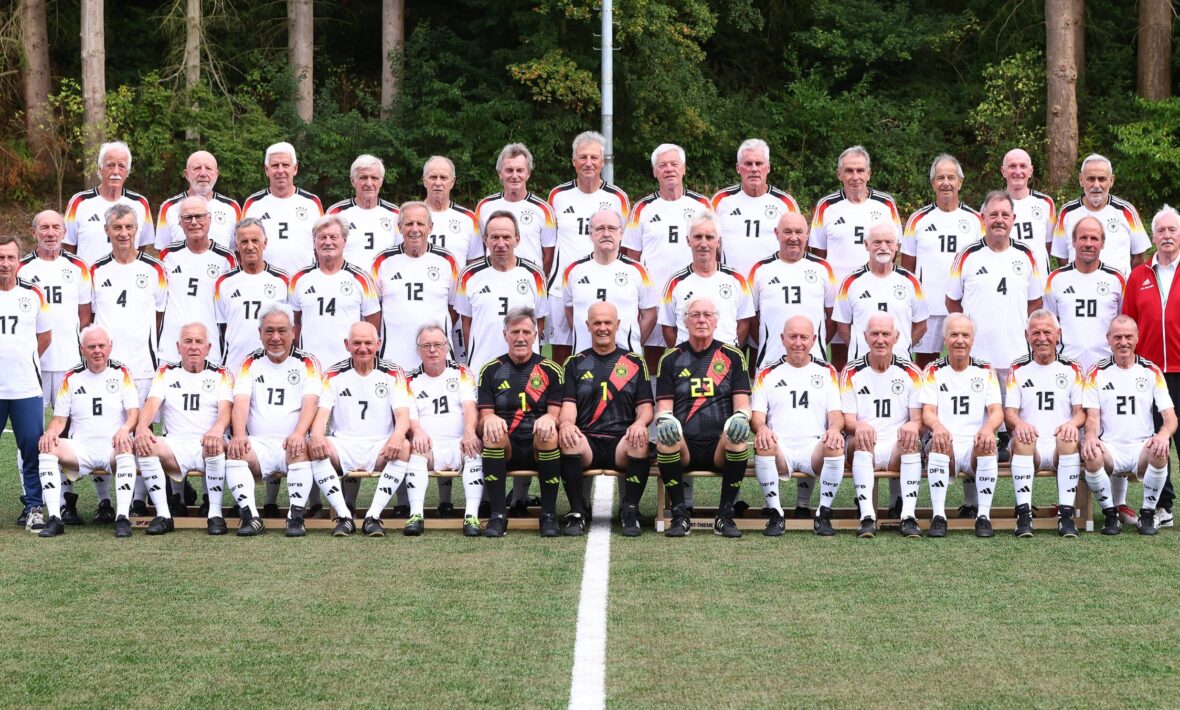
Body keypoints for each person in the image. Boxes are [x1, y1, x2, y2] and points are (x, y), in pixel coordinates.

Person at [224, 303, 353, 537]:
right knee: (236, 452)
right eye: (269, 331)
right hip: (258, 444)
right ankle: (251, 517)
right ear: (260, 333)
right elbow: (241, 400)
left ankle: (295, 518)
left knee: (300, 448)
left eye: (282, 330)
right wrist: (240, 434)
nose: (275, 337)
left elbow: (311, 401)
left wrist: (298, 433)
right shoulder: (249, 362)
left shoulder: (307, 362)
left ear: (293, 332)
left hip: (292, 443)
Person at [947, 190, 1043, 466]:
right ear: (983, 218)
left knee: (1015, 426)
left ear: (1013, 219)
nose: (999, 220)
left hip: (1015, 354)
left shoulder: (1026, 254)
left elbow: (1035, 302)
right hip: (977, 356)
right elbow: (952, 301)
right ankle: (973, 491)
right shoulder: (967, 255)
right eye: (993, 215)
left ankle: (1020, 484)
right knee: (979, 430)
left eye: (1004, 215)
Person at [653, 297, 752, 538]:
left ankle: (725, 516)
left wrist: (741, 417)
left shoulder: (732, 356)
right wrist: (664, 419)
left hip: (718, 445)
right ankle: (680, 516)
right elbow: (663, 408)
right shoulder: (671, 359)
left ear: (716, 321)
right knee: (665, 441)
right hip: (685, 444)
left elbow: (743, 406)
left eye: (707, 315)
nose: (701, 320)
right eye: (695, 315)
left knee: (739, 440)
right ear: (685, 321)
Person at [309, 322, 414, 536]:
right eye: (357, 343)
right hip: (343, 445)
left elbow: (403, 415)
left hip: (380, 445)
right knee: (314, 444)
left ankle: (372, 517)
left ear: (378, 344)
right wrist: (317, 435)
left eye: (368, 343)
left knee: (403, 445)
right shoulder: (333, 374)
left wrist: (397, 435)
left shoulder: (393, 372)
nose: (363, 348)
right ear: (347, 345)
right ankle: (344, 516)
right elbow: (321, 415)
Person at [36, 326, 141, 538]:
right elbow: (59, 419)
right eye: (91, 347)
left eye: (102, 346)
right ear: (82, 349)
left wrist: (125, 429)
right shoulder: (71, 376)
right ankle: (55, 518)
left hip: (112, 447)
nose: (97, 351)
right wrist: (51, 433)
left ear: (110, 347)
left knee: (126, 448)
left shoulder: (122, 372)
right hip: (80, 448)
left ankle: (122, 518)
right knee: (48, 448)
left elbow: (133, 413)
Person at [558, 302, 653, 536]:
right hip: (588, 441)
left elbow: (646, 408)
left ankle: (630, 511)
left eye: (608, 322)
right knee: (568, 438)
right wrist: (567, 424)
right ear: (588, 326)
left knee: (640, 440)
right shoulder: (574, 363)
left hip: (620, 441)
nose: (603, 328)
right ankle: (577, 511)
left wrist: (640, 423)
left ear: (617, 325)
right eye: (597, 323)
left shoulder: (634, 362)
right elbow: (568, 406)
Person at [133, 323, 233, 535]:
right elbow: (152, 403)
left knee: (216, 444)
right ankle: (164, 515)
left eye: (199, 342)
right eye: (188, 341)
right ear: (179, 347)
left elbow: (226, 409)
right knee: (147, 446)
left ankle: (214, 514)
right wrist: (141, 427)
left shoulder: (221, 373)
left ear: (208, 348)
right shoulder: (166, 372)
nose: (193, 347)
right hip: (175, 445)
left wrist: (217, 430)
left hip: (207, 443)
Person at [808, 145, 902, 369]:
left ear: (869, 173)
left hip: (874, 291)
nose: (855, 176)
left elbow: (894, 247)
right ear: (839, 174)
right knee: (841, 356)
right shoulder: (826, 206)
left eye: (860, 170)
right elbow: (818, 254)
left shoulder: (885, 204)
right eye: (849, 171)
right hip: (837, 295)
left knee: (879, 347)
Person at [1081, 315, 1176, 536]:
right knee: (1092, 454)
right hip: (1110, 446)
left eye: (1128, 337)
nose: (1123, 342)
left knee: (1160, 450)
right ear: (1108, 339)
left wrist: (1163, 435)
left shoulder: (1151, 371)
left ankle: (1147, 513)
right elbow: (1092, 417)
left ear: (1137, 338)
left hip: (1141, 446)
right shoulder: (1096, 372)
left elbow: (1170, 417)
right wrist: (1091, 437)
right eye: (1117, 337)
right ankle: (1110, 514)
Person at [751, 315, 845, 537]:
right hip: (780, 447)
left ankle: (823, 514)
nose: (798, 343)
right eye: (792, 337)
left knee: (835, 444)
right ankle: (776, 514)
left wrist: (834, 429)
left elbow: (836, 415)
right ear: (782, 338)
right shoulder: (767, 372)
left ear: (814, 340)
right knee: (763, 443)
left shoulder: (827, 371)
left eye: (804, 337)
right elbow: (757, 417)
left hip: (813, 448)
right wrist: (762, 429)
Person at [477, 307, 566, 537]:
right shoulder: (490, 370)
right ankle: (498, 516)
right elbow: (483, 417)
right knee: (492, 433)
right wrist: (489, 419)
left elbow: (556, 415)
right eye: (514, 332)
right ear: (505, 335)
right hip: (506, 445)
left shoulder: (551, 370)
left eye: (526, 332)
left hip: (537, 444)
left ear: (535, 335)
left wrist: (550, 418)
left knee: (549, 433)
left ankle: (548, 515)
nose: (520, 337)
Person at [624, 144, 712, 368]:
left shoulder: (701, 204)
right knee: (653, 359)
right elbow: (632, 258)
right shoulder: (643, 208)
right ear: (655, 171)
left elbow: (713, 248)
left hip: (691, 295)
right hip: (653, 297)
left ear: (684, 168)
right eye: (663, 165)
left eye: (674, 164)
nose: (669, 169)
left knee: (693, 358)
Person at [547, 131, 630, 363]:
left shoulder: (617, 197)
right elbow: (549, 244)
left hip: (603, 283)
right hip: (561, 287)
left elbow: (623, 243)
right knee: (561, 352)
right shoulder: (558, 195)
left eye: (594, 158)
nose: (588, 163)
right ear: (574, 161)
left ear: (602, 162)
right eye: (583, 157)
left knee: (606, 344)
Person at [839, 313, 924, 538]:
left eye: (886, 334)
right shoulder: (851, 371)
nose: (880, 340)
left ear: (896, 337)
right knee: (862, 439)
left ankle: (908, 516)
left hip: (896, 445)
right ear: (865, 337)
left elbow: (917, 419)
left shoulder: (911, 371)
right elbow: (847, 420)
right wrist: (859, 425)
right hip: (863, 444)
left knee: (911, 441)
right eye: (874, 334)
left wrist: (913, 426)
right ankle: (867, 517)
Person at [1121, 205, 1180, 529]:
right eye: (1161, 231)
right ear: (1153, 236)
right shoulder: (1139, 275)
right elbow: (1129, 323)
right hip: (1150, 372)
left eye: (1172, 230)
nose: (1167, 235)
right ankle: (1163, 507)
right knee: (1157, 439)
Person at [920, 313, 1004, 538]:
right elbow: (928, 412)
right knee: (939, 441)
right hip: (946, 443)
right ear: (945, 339)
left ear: (972, 340)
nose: (960, 340)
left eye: (965, 335)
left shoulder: (985, 370)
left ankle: (983, 517)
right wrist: (937, 427)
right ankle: (939, 516)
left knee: (988, 443)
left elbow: (996, 412)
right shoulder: (933, 370)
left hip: (975, 443)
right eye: (954, 334)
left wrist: (987, 429)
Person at [1004, 310, 1086, 537]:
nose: (1042, 338)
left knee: (1068, 438)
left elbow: (1081, 413)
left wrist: (1072, 424)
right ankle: (1024, 516)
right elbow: (1009, 412)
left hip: (1061, 444)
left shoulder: (1073, 368)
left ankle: (1066, 516)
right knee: (1023, 439)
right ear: (1026, 336)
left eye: (1047, 332)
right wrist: (1019, 424)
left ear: (1058, 334)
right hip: (1031, 446)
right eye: (1036, 333)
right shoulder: (1018, 368)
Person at [901, 154, 984, 367]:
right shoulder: (918, 220)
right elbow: (907, 269)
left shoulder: (975, 220)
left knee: (966, 362)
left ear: (960, 182)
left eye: (951, 177)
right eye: (940, 178)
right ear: (932, 183)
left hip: (963, 308)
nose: (946, 183)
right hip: (927, 309)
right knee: (925, 364)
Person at [401, 324, 484, 536]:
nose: (432, 350)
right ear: (418, 350)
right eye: (426, 345)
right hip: (429, 445)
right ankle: (416, 515)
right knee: (417, 450)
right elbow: (410, 414)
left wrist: (469, 432)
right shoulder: (409, 379)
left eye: (438, 345)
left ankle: (471, 516)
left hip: (459, 441)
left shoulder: (461, 372)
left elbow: (470, 407)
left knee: (474, 450)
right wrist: (417, 431)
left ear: (447, 347)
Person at [90, 204, 167, 405]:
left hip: (143, 366)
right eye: (117, 227)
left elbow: (160, 314)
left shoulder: (154, 268)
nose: (123, 233)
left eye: (128, 227)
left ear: (136, 229)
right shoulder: (96, 269)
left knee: (142, 423)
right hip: (105, 364)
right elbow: (90, 315)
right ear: (106, 230)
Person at [0, 235, 51, 531]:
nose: (5, 263)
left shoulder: (33, 294)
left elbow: (44, 337)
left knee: (32, 451)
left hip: (25, 388)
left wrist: (19, 362)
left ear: (19, 260)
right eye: (0, 258)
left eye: (10, 257)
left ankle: (34, 507)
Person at [454, 211, 548, 371]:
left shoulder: (535, 274)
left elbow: (538, 322)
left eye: (506, 237)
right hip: (482, 368)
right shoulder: (469, 275)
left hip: (524, 369)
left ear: (517, 240)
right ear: (485, 240)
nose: (501, 243)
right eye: (495, 237)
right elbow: (466, 324)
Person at [371, 201, 459, 370]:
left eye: (420, 223)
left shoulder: (447, 260)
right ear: (399, 227)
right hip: (392, 357)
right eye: (409, 224)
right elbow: (373, 309)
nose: (415, 229)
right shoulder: (382, 260)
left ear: (430, 227)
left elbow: (455, 307)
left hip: (436, 359)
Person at [288, 213, 381, 368]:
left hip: (349, 368)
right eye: (322, 237)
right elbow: (295, 324)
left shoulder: (361, 279)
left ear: (344, 241)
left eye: (333, 237)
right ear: (314, 242)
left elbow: (373, 326)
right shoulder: (299, 278)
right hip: (310, 367)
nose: (328, 242)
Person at [561, 209, 657, 354]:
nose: (606, 234)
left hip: (626, 361)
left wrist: (632, 345)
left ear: (621, 233)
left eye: (612, 228)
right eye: (600, 228)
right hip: (583, 360)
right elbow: (570, 311)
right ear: (590, 234)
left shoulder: (638, 271)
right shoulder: (572, 270)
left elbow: (650, 315)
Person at [747, 211, 836, 367]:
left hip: (814, 364)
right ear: (777, 233)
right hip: (770, 363)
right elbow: (751, 319)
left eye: (799, 232)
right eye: (787, 232)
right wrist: (768, 342)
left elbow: (833, 317)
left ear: (807, 234)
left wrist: (813, 345)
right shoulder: (760, 269)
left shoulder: (823, 268)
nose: (793, 238)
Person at [157, 195, 237, 365]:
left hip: (209, 348)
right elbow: (159, 303)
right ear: (180, 223)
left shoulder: (226, 258)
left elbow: (229, 309)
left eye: (199, 216)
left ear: (209, 219)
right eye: (187, 217)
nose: (194, 222)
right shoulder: (167, 255)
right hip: (170, 348)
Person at [659, 212, 754, 349]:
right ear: (688, 240)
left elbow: (744, 322)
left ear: (718, 241)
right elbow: (668, 328)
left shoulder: (737, 279)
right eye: (698, 237)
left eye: (709, 237)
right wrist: (684, 353)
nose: (703, 244)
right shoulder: (675, 283)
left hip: (725, 359)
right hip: (687, 359)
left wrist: (729, 353)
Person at [834, 223, 928, 360]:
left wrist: (902, 347)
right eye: (877, 242)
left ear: (896, 245)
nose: (883, 247)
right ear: (866, 245)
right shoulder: (851, 282)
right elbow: (842, 326)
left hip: (900, 365)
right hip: (861, 366)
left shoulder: (911, 281)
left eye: (889, 242)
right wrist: (861, 351)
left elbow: (921, 326)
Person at [712, 138, 801, 279]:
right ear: (738, 168)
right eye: (748, 163)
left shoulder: (785, 203)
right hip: (731, 283)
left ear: (768, 167)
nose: (754, 169)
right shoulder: (720, 200)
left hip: (772, 283)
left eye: (759, 163)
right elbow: (708, 244)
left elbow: (799, 246)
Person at [214, 219, 290, 376]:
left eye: (255, 240)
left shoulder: (282, 280)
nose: (249, 246)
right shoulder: (224, 282)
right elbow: (221, 326)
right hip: (234, 366)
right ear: (237, 245)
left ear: (265, 243)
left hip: (272, 367)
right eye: (244, 242)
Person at [1051, 154, 1148, 276]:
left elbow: (1139, 256)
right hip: (1078, 286)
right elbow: (1062, 257)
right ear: (1081, 180)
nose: (1096, 185)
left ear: (1111, 180)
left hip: (1119, 287)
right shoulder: (1067, 212)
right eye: (1091, 179)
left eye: (1102, 179)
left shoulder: (1126, 211)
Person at [63, 141, 154, 265]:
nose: (115, 171)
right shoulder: (79, 202)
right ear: (100, 169)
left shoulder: (140, 203)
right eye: (110, 165)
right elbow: (68, 247)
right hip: (89, 276)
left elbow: (141, 247)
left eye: (121, 166)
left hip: (125, 275)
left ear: (127, 172)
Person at [242, 142, 324, 276]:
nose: (280, 171)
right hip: (265, 282)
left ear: (295, 169)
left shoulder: (312, 202)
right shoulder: (253, 203)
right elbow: (242, 246)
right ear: (266, 170)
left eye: (285, 165)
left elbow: (322, 245)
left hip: (304, 281)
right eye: (275, 165)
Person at [473, 143, 556, 270]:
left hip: (529, 280)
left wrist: (536, 278)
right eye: (509, 170)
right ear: (500, 173)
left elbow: (549, 256)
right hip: (493, 278)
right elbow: (478, 250)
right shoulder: (484, 206)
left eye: (520, 170)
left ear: (528, 173)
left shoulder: (543, 209)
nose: (515, 176)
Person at [155, 150, 243, 250]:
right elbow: (163, 251)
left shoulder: (232, 207)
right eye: (197, 168)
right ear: (186, 174)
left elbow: (238, 250)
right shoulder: (169, 207)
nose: (203, 174)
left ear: (216, 174)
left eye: (208, 168)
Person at [326, 154, 400, 272]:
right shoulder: (336, 213)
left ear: (381, 182)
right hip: (347, 281)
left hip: (383, 282)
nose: (369, 183)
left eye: (374, 178)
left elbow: (403, 252)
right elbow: (324, 252)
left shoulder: (395, 213)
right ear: (353, 181)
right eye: (363, 177)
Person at [996, 148, 1055, 270]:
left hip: (1039, 278)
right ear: (1003, 171)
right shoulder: (991, 205)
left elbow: (1049, 244)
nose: (1018, 171)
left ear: (1030, 171)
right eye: (1012, 166)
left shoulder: (1046, 203)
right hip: (1006, 275)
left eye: (1023, 166)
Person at [422, 155, 478, 261]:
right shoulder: (408, 216)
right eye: (433, 177)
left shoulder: (468, 218)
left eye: (443, 178)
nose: (438, 183)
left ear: (452, 182)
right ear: (424, 181)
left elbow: (474, 263)